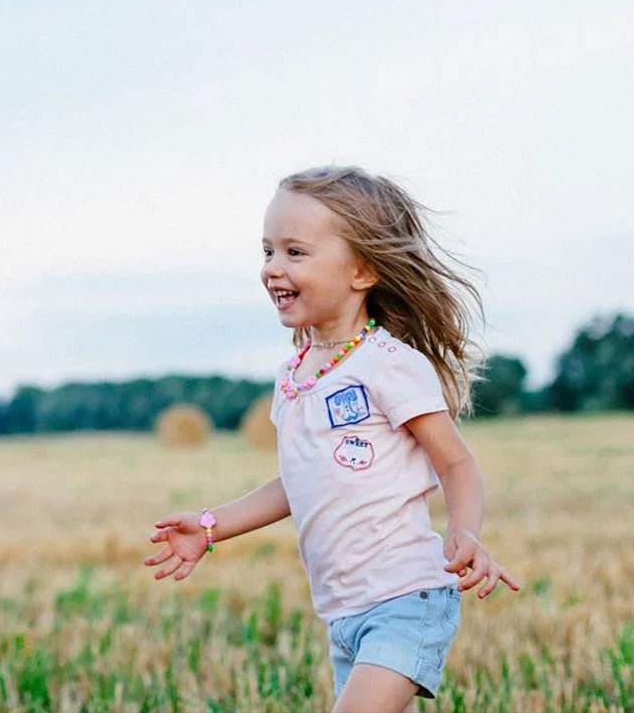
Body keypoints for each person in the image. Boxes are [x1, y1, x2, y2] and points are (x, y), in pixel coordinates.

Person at [144, 166, 520, 713]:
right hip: (343, 613)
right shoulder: (295, 376)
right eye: (268, 251)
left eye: (295, 252)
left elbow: (456, 464)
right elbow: (298, 480)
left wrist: (465, 532)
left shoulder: (389, 365)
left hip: (406, 599)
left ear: (363, 270)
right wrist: (211, 526)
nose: (273, 268)